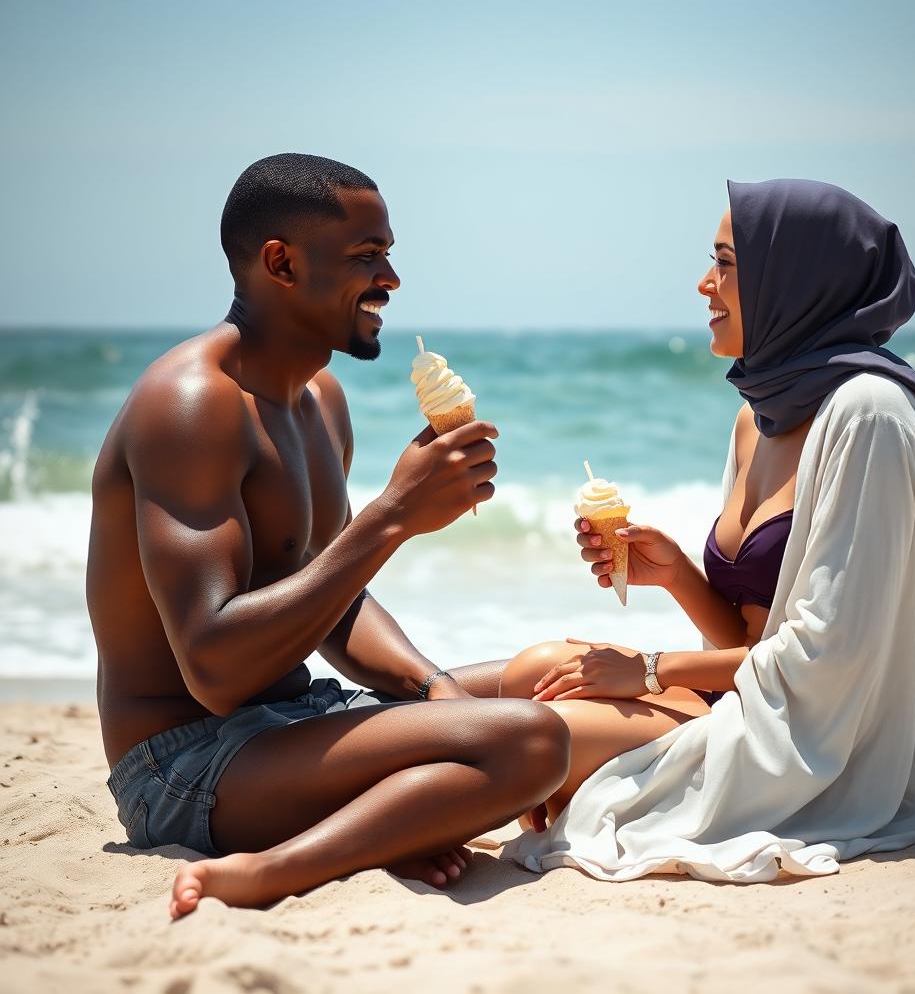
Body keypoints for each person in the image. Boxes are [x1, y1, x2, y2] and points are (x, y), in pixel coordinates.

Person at [87, 153, 570, 919]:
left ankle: (389, 824)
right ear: (280, 262)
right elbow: (214, 669)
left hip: (297, 719)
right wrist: (391, 518)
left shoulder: (320, 400)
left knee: (549, 681)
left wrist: (430, 687)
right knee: (532, 740)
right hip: (186, 763)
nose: (391, 280)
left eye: (388, 254)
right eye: (365, 256)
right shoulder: (191, 405)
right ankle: (275, 871)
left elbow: (331, 598)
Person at [497, 179, 915, 882]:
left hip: (811, 742)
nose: (704, 284)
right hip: (752, 695)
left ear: (792, 280)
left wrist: (648, 668)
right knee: (530, 673)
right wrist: (675, 573)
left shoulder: (870, 416)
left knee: (531, 733)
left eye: (726, 265)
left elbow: (826, 663)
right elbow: (748, 645)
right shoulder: (760, 416)